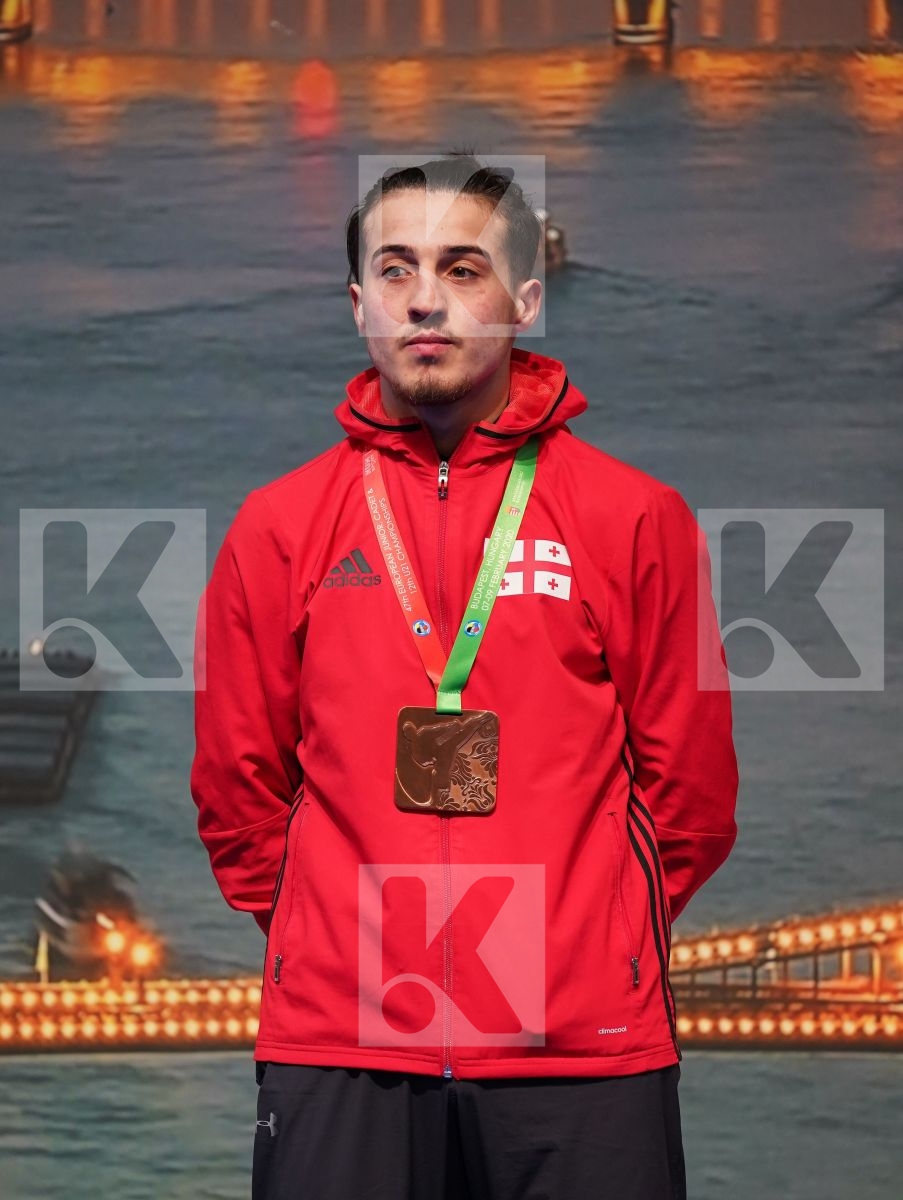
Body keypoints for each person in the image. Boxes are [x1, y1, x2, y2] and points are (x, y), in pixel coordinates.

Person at [189, 151, 740, 1200]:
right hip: (342, 1040)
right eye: (394, 269)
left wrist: (591, 940)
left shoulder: (634, 518)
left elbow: (694, 798)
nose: (424, 299)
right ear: (358, 305)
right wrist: (333, 933)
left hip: (580, 1046)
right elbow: (234, 790)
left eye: (462, 268)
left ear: (525, 301)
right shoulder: (279, 526)